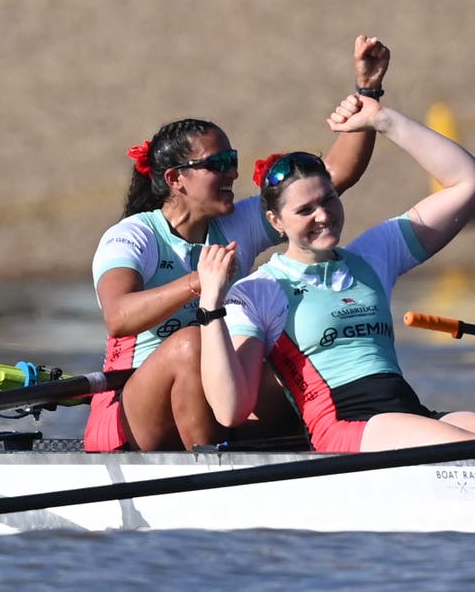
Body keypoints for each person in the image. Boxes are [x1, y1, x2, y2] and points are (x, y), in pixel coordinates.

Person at [85, 35, 390, 451]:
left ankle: (358, 428)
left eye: (233, 160)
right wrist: (200, 282)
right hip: (131, 409)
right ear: (176, 179)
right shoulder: (133, 236)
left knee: (291, 354)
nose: (232, 173)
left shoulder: (233, 224)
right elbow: (118, 317)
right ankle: (217, 468)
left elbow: (333, 175)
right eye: (219, 165)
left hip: (211, 396)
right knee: (193, 342)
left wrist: (367, 91)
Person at [197, 93, 475, 453]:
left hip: (409, 414)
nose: (323, 215)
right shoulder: (259, 291)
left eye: (328, 200)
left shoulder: (374, 255)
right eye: (305, 210)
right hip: (346, 427)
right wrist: (211, 304)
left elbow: (466, 182)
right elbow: (230, 410)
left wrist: (382, 119)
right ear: (275, 221)